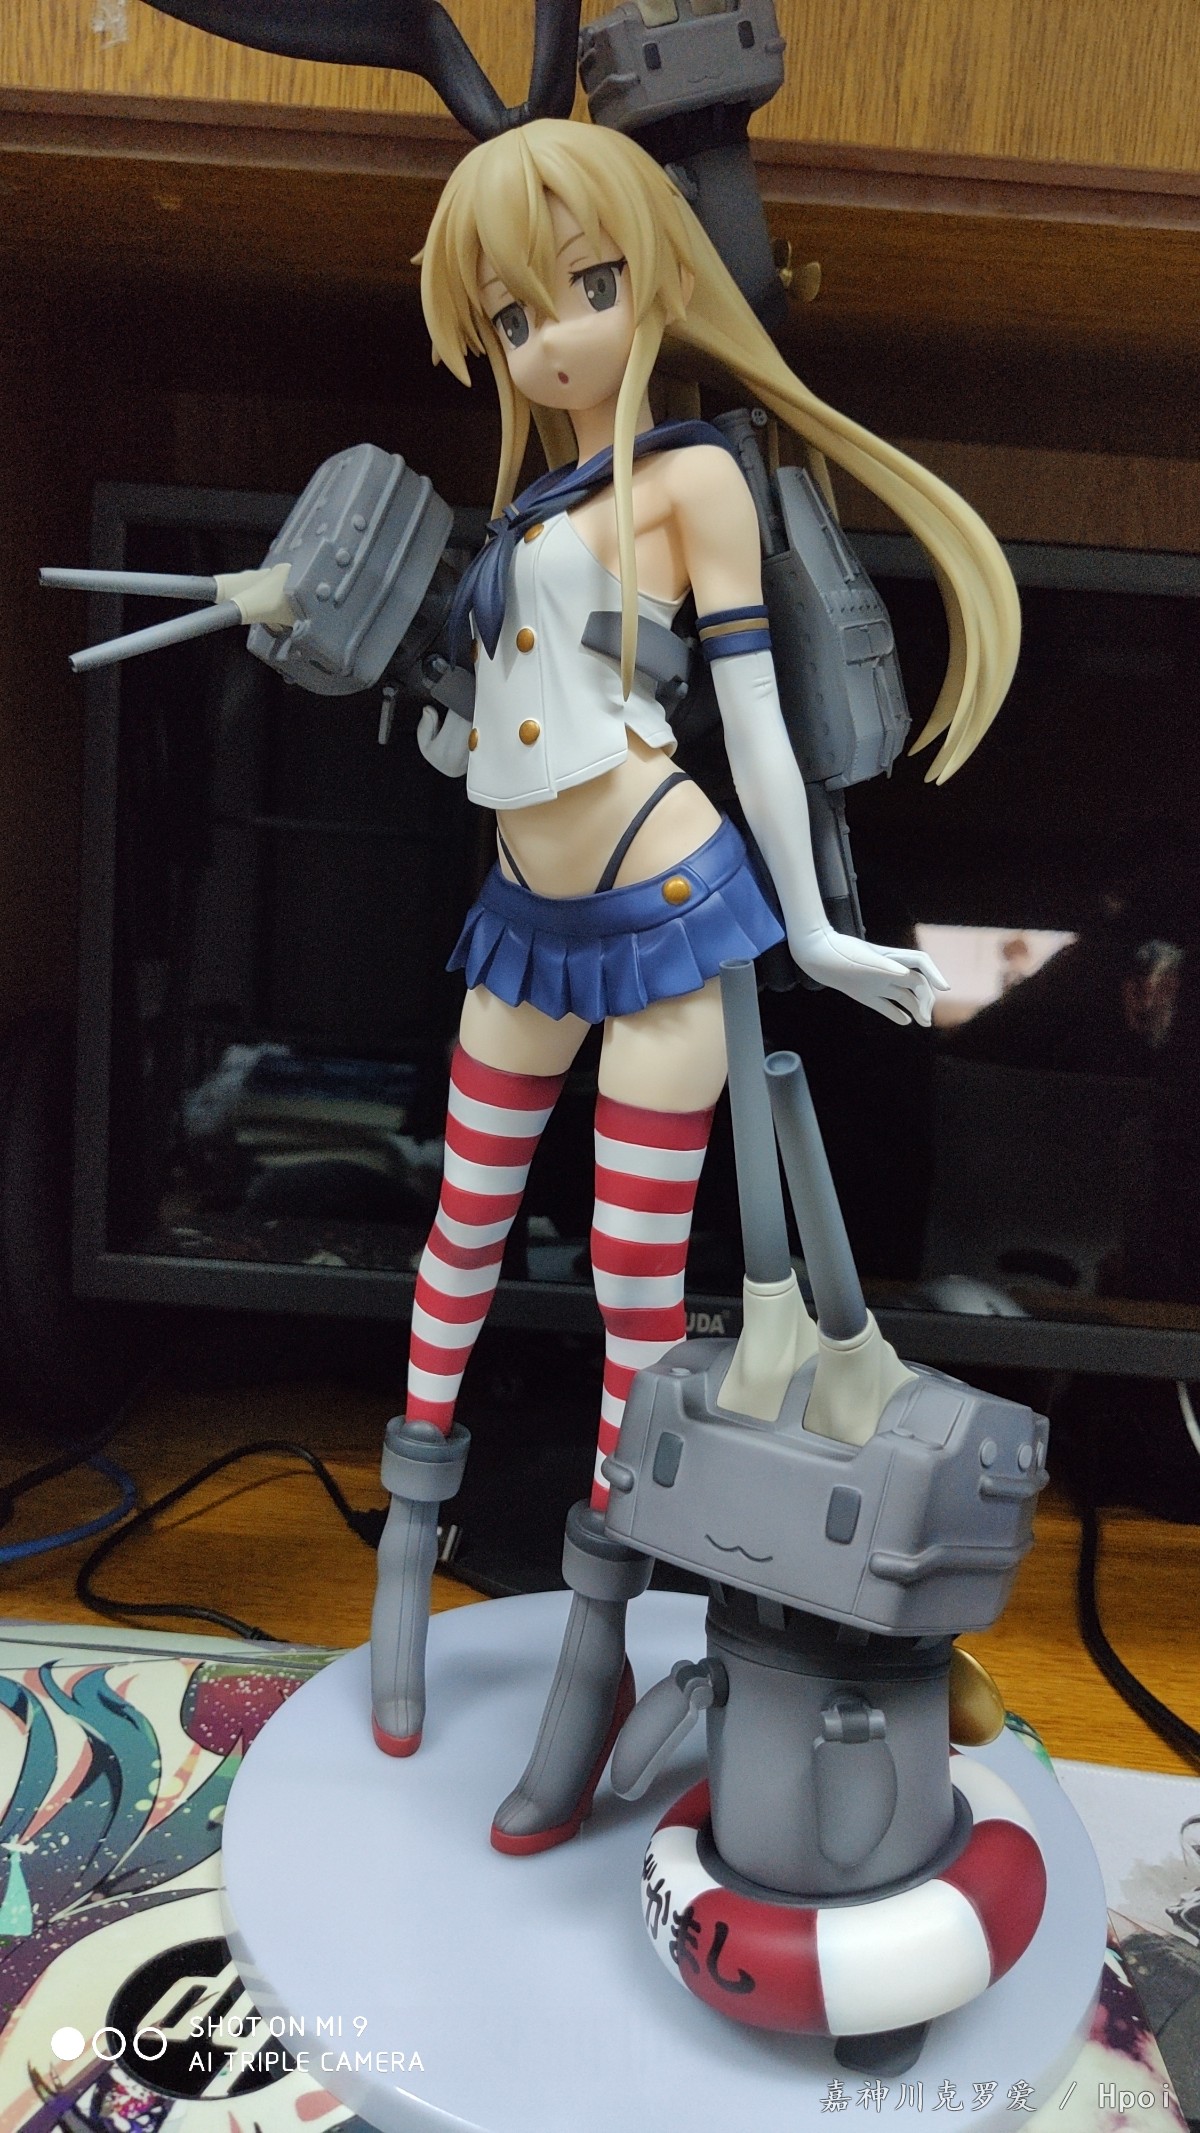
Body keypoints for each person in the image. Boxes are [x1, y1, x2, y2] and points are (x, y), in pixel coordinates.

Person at [369, 116, 1020, 1854]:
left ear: (654, 277)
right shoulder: (533, 504)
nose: (550, 342)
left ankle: (597, 1633)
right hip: (525, 915)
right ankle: (406, 1550)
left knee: (635, 1294)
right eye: (513, 317)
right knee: (462, 1230)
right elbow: (514, 726)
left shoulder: (697, 482)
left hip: (667, 911)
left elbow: (753, 727)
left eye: (584, 289)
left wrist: (813, 931)